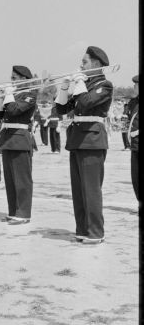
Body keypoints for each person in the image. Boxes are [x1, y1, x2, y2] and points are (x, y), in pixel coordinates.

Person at [55, 46, 113, 244]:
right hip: (77, 139)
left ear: (96, 64)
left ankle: (96, 232)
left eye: (84, 61)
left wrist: (79, 82)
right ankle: (82, 229)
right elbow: (61, 109)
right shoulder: (82, 85)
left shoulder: (105, 85)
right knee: (78, 189)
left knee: (91, 189)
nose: (80, 65)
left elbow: (87, 103)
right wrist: (64, 87)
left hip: (93, 140)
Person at [0, 66, 38, 225]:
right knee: (10, 179)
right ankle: (14, 211)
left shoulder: (30, 95)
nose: (12, 81)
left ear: (25, 79)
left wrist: (8, 94)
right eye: (11, 78)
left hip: (20, 138)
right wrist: (0, 97)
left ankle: (23, 213)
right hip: (8, 139)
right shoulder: (13, 95)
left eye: (15, 78)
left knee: (22, 179)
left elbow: (13, 111)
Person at [127, 75, 139, 202]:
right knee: (136, 178)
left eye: (136, 85)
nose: (134, 87)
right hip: (135, 145)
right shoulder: (133, 102)